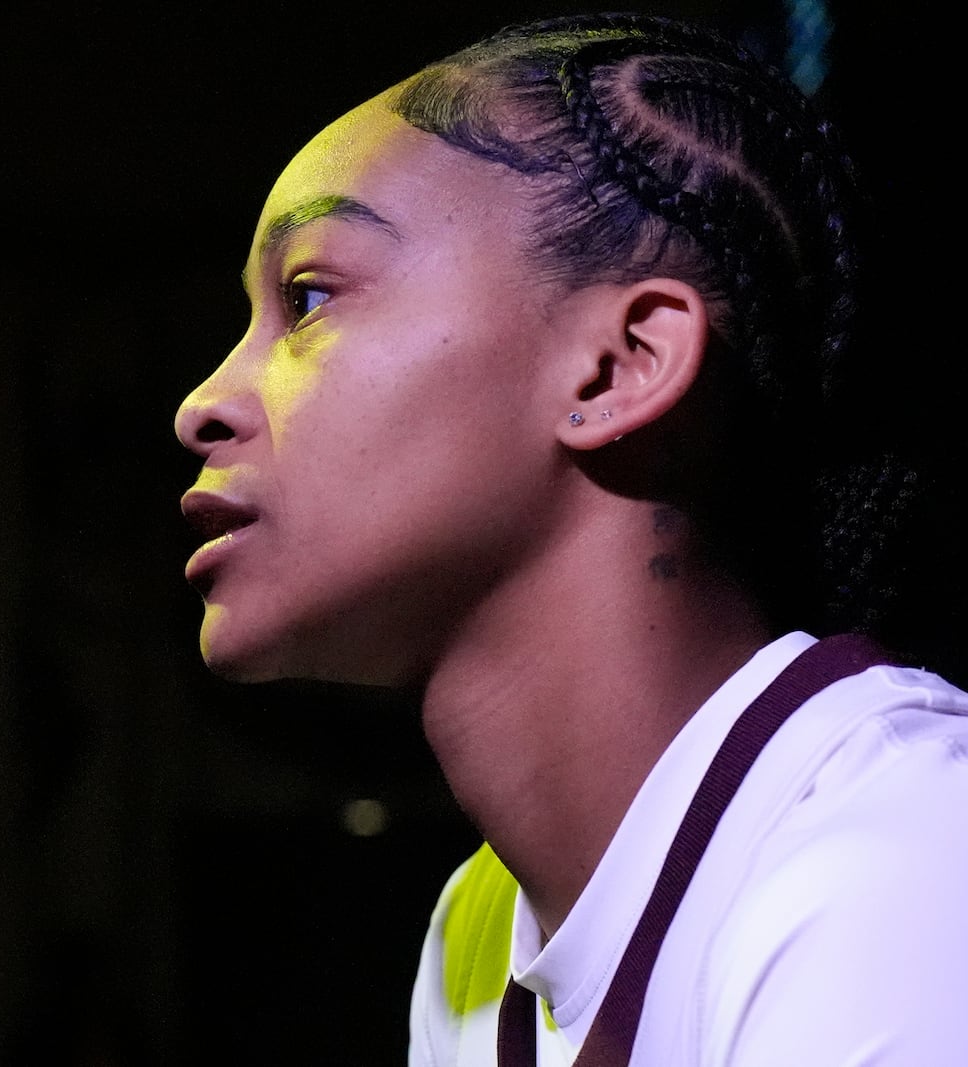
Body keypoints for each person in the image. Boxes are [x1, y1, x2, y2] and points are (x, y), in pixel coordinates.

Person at [172, 11, 968, 1066]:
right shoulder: (477, 927)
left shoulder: (902, 857)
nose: (201, 404)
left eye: (308, 297)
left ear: (618, 364)